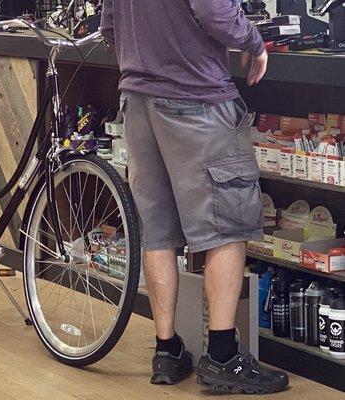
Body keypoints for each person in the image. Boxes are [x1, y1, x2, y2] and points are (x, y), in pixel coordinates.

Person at [101, 0, 289, 394]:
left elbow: (109, 28)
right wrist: (254, 42)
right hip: (196, 96)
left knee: (157, 230)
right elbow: (213, 9)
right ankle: (222, 357)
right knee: (226, 224)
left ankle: (167, 351)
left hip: (137, 101)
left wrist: (146, 57)